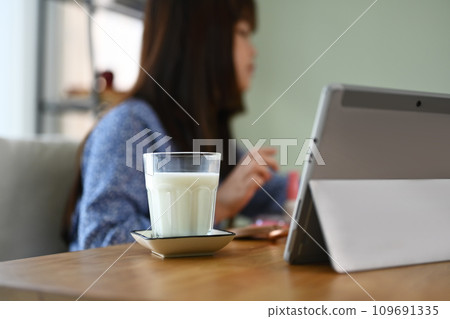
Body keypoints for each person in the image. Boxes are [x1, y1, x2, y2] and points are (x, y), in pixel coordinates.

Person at [67, 0, 287, 251]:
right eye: (243, 33)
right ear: (204, 40)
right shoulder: (128, 125)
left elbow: (266, 192)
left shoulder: (202, 129)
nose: (253, 51)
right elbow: (100, 237)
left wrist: (312, 187)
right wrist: (217, 206)